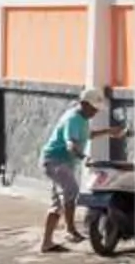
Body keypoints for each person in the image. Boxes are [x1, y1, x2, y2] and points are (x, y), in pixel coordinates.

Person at [40, 87, 107, 254]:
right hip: (55, 161)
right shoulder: (73, 118)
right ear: (84, 104)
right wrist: (84, 157)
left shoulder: (82, 119)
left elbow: (86, 135)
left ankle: (46, 242)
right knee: (71, 191)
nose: (95, 113)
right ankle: (70, 230)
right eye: (93, 109)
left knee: (57, 204)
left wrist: (109, 132)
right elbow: (70, 145)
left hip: (60, 163)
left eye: (97, 110)